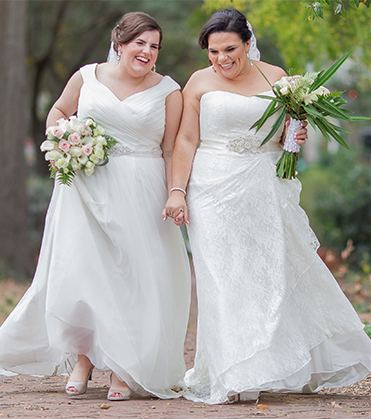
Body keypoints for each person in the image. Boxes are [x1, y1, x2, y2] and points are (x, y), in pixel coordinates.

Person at [164, 8, 371, 405]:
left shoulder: (276, 78)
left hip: (262, 184)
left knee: (263, 275)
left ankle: (265, 362)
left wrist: (295, 135)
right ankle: (234, 371)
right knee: (221, 277)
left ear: (247, 43)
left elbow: (282, 141)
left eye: (229, 49)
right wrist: (177, 190)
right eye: (213, 51)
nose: (221, 59)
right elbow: (187, 140)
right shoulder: (198, 82)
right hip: (211, 188)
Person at [0, 12, 190, 401]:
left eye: (154, 46)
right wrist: (64, 141)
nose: (147, 52)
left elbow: (170, 147)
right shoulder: (87, 77)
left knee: (133, 275)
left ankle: (123, 366)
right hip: (84, 188)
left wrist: (176, 191)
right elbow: (57, 113)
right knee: (84, 273)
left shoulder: (169, 90)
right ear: (119, 44)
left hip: (141, 189)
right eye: (140, 43)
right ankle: (84, 357)